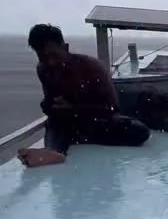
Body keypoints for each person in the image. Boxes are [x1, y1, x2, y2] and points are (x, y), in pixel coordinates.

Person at [17, 23, 150, 168]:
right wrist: (49, 105)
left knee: (139, 131)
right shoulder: (44, 70)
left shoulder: (91, 67)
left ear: (65, 48)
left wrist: (74, 109)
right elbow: (51, 103)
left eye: (54, 56)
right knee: (55, 123)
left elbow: (112, 107)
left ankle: (65, 144)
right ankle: (53, 152)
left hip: (98, 122)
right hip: (69, 125)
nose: (51, 62)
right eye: (43, 58)